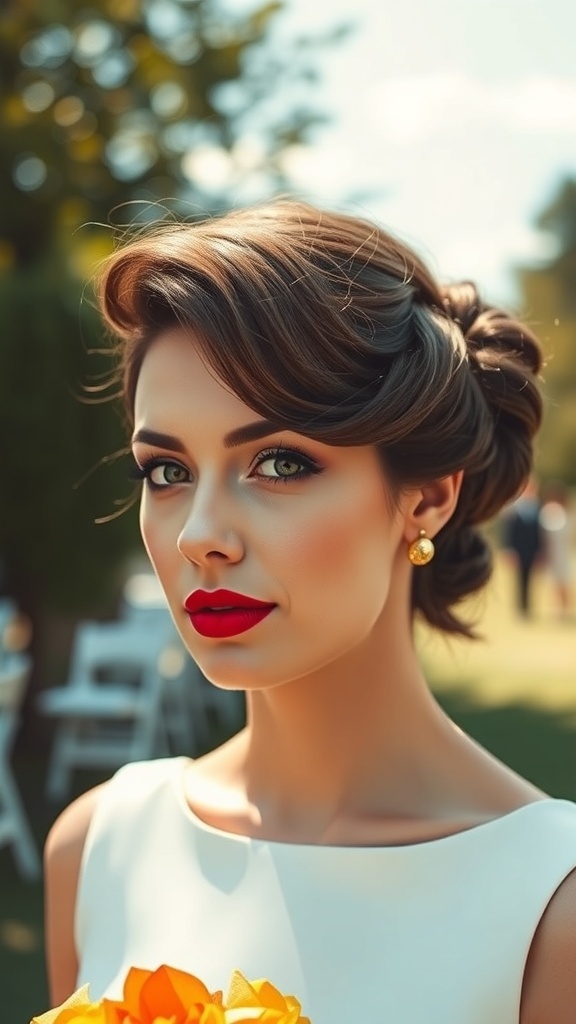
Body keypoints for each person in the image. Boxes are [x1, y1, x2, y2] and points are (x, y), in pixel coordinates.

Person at [44, 200, 576, 1024]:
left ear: (428, 497)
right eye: (167, 471)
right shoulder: (96, 850)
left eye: (281, 463)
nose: (200, 536)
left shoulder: (551, 910)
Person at [500, 476, 543, 616]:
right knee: (519, 579)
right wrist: (508, 550)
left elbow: (539, 534)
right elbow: (509, 532)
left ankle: (528, 606)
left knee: (530, 579)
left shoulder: (537, 508)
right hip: (518, 550)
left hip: (532, 550)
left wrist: (540, 551)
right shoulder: (514, 508)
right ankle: (520, 607)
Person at [539, 479, 574, 618]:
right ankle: (557, 608)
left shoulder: (565, 512)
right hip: (551, 552)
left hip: (562, 551)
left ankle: (565, 607)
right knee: (553, 582)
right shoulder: (546, 512)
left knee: (564, 581)